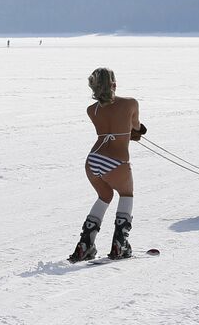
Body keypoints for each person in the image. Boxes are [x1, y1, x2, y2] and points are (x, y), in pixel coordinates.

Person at [69, 68, 147, 262]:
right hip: (116, 161)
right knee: (126, 194)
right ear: (114, 84)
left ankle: (85, 244)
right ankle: (120, 244)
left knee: (105, 195)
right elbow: (136, 127)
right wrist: (137, 131)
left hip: (93, 160)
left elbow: (109, 124)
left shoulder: (91, 110)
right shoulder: (130, 103)